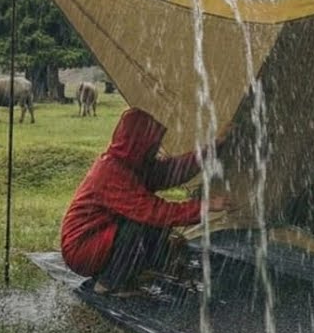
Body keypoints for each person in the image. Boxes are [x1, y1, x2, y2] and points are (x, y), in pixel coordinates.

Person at [60, 108, 233, 296]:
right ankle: (110, 283)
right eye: (152, 144)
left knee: (151, 226)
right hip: (82, 249)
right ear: (138, 143)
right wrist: (204, 206)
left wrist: (213, 148)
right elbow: (155, 212)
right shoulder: (111, 173)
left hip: (98, 240)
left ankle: (130, 271)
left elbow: (172, 171)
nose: (156, 149)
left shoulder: (129, 164)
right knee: (143, 224)